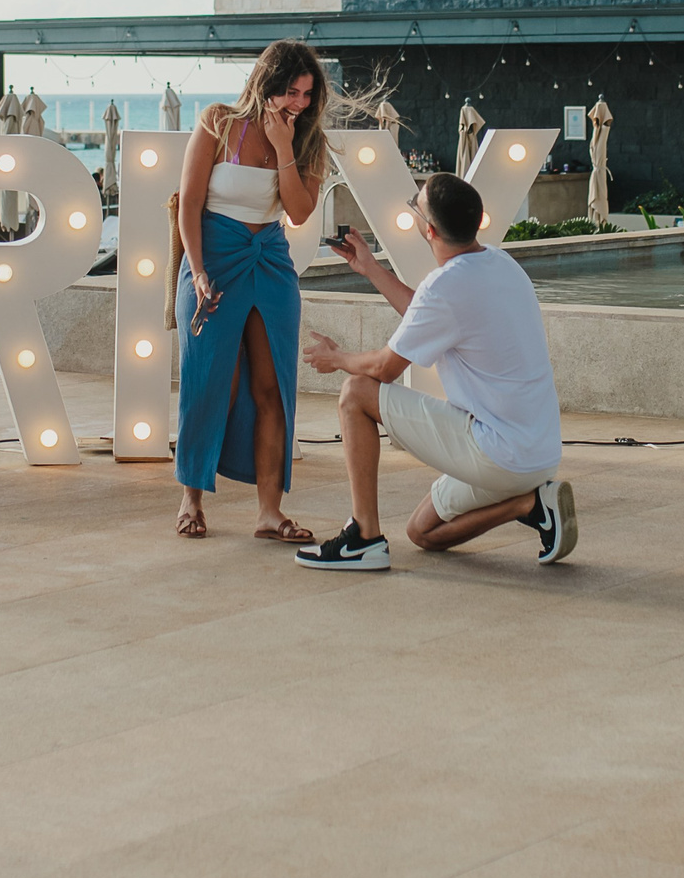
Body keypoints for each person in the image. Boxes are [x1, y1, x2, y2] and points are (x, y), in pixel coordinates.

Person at [297, 172, 575, 570]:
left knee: (356, 392)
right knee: (422, 532)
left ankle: (363, 538)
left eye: (416, 205)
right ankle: (530, 504)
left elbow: (384, 369)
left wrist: (337, 357)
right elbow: (429, 313)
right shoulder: (500, 263)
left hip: (497, 452)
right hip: (538, 455)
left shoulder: (445, 286)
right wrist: (371, 269)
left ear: (428, 229)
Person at [173, 40, 331, 543]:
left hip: (270, 261)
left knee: (272, 388)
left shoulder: (309, 141)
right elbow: (189, 203)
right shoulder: (217, 122)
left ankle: (269, 512)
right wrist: (198, 272)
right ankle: (191, 498)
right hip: (214, 259)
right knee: (210, 383)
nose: (299, 104)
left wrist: (284, 147)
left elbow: (299, 212)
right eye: (291, 92)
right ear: (266, 86)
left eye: (307, 94)